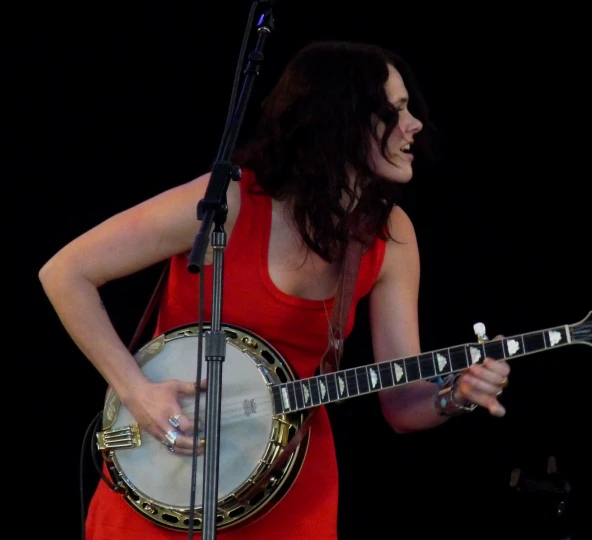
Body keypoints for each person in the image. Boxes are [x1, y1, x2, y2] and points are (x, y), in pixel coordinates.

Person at [39, 41, 511, 540]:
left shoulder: (390, 235)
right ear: (339, 120)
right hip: (167, 468)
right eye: (393, 112)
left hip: (288, 493)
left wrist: (455, 395)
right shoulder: (229, 202)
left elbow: (400, 405)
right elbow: (65, 273)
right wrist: (136, 393)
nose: (414, 124)